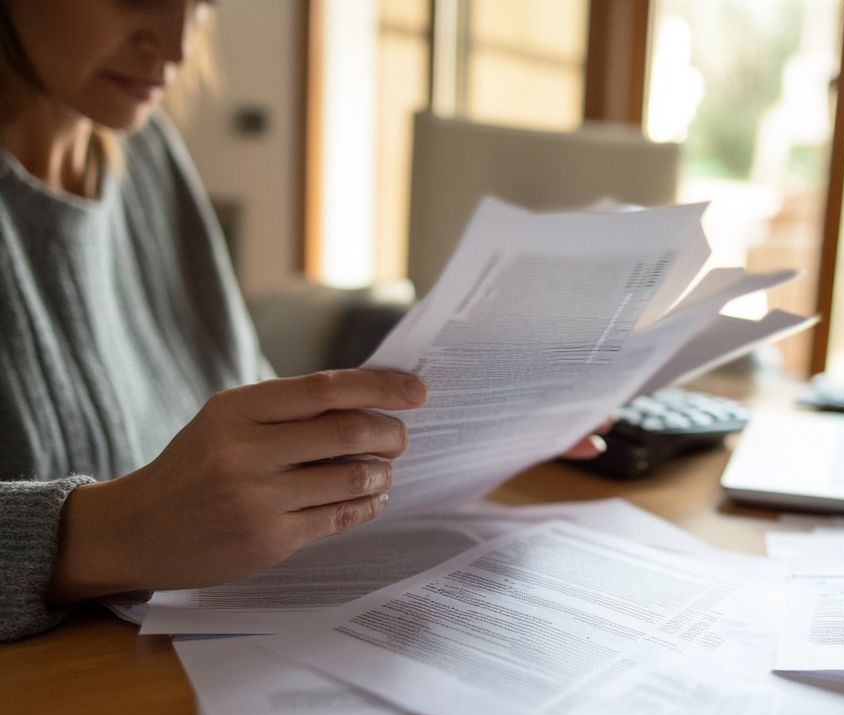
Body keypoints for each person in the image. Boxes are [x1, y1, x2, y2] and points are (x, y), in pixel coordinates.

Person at [0, 0, 603, 642]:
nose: (177, 47)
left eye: (203, 4)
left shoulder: (145, 154)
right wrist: (103, 533)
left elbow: (228, 398)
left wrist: (467, 419)